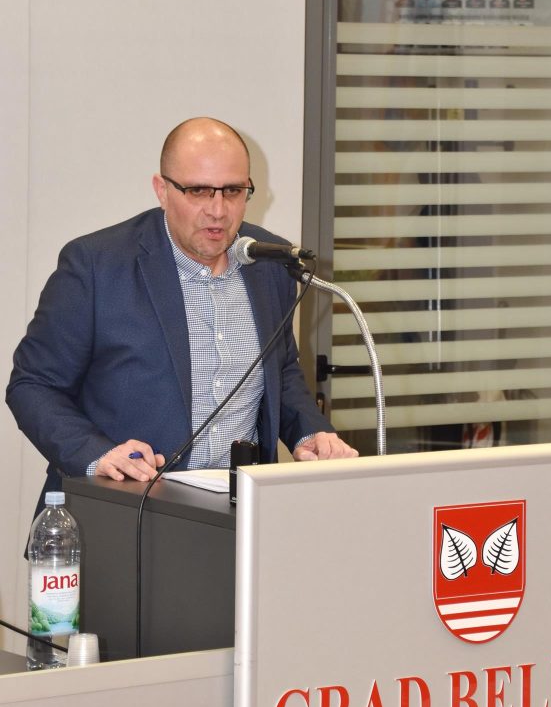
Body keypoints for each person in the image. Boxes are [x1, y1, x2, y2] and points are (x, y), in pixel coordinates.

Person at [6, 118, 358, 495]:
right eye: (199, 191)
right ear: (162, 190)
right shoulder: (95, 265)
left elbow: (281, 369)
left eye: (233, 191)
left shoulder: (269, 263)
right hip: (124, 504)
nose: (218, 210)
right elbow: (33, 385)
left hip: (238, 507)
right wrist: (98, 455)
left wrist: (309, 432)